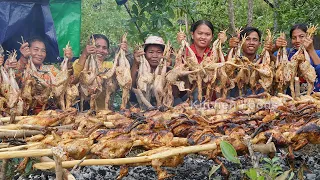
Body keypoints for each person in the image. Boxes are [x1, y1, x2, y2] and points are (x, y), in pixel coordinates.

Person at [15, 36, 73, 114]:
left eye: (43, 51)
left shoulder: (51, 69)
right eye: (36, 50)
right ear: (27, 50)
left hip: (51, 113)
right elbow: (14, 78)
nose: (40, 54)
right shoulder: (21, 68)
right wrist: (23, 58)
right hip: (26, 114)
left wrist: (68, 61)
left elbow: (68, 81)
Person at [73, 34, 128, 110]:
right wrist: (84, 55)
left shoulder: (109, 65)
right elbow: (73, 79)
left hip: (104, 111)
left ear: (108, 51)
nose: (101, 50)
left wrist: (122, 53)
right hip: (82, 112)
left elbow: (119, 79)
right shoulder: (80, 62)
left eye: (104, 48)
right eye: (97, 46)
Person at [273, 23, 320, 92]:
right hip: (292, 100)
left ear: (310, 37)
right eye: (294, 38)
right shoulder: (288, 54)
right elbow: (271, 58)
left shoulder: (318, 53)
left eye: (301, 36)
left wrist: (311, 51)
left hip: (315, 99)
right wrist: (275, 47)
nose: (297, 40)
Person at [228, 27, 273, 97]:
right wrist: (231, 48)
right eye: (247, 39)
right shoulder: (233, 61)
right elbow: (226, 68)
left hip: (259, 104)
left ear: (259, 44)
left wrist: (272, 50)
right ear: (241, 42)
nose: (251, 43)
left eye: (255, 40)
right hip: (235, 103)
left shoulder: (263, 63)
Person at [130, 35, 165, 106]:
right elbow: (129, 85)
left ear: (163, 54)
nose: (154, 56)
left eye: (159, 52)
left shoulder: (166, 67)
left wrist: (166, 68)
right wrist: (135, 64)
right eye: (151, 52)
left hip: (162, 104)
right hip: (139, 104)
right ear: (144, 53)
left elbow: (175, 94)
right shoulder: (138, 66)